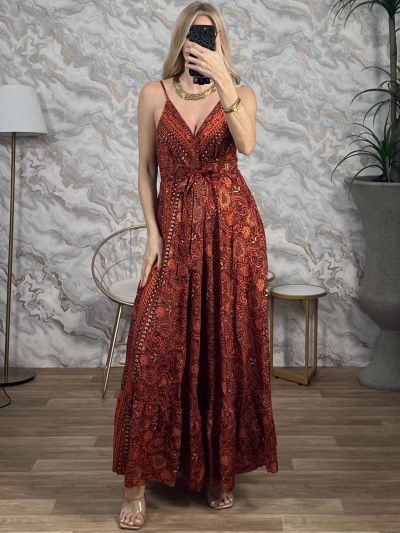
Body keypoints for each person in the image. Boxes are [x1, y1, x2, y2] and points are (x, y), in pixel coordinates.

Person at [113, 2, 278, 529]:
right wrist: (151, 234)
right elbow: (145, 170)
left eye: (211, 35)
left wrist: (224, 80)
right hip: (174, 233)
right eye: (193, 34)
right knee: (151, 350)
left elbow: (247, 144)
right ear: (180, 40)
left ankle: (216, 472)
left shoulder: (240, 93)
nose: (200, 42)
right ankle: (135, 484)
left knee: (221, 348)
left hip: (232, 236)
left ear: (221, 42)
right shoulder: (153, 94)